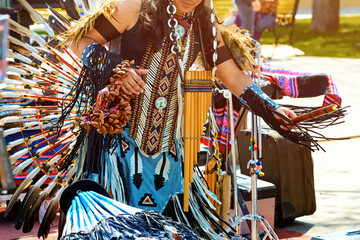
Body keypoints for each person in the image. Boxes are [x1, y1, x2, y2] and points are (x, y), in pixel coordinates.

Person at [63, 0, 296, 216]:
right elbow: (80, 41)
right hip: (115, 142)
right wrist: (117, 69)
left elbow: (234, 77)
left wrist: (272, 108)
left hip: (168, 150)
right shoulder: (133, 6)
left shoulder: (205, 25)